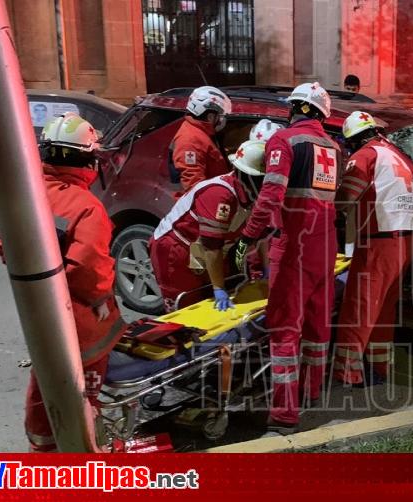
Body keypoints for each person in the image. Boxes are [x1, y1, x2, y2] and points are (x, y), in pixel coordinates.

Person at [0, 113, 125, 451]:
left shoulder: (27, 193)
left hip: (40, 309)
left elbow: (4, 243)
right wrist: (99, 298)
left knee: (46, 376)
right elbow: (90, 270)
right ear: (87, 158)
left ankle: (41, 445)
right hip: (79, 320)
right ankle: (81, 449)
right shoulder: (86, 206)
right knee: (81, 386)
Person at [237, 82, 340, 435]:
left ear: (296, 108)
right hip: (325, 246)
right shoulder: (332, 146)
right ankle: (311, 392)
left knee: (284, 331)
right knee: (316, 326)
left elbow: (271, 192)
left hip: (294, 244)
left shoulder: (284, 141)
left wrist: (250, 234)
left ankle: (283, 414)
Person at [150, 119, 281, 312]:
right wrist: (218, 288)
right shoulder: (219, 194)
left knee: (223, 300)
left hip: (210, 249)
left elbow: (259, 236)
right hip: (176, 249)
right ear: (248, 176)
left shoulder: (250, 194)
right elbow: (211, 247)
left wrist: (266, 269)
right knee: (188, 308)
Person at [332, 111, 413, 386]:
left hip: (379, 241)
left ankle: (348, 372)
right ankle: (379, 368)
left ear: (353, 140)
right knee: (383, 310)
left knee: (358, 308)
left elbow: (346, 198)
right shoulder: (394, 154)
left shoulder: (364, 156)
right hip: (405, 240)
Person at [169, 86, 232, 192]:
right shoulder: (190, 141)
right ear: (210, 117)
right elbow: (194, 186)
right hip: (205, 202)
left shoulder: (202, 133)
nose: (222, 120)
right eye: (220, 115)